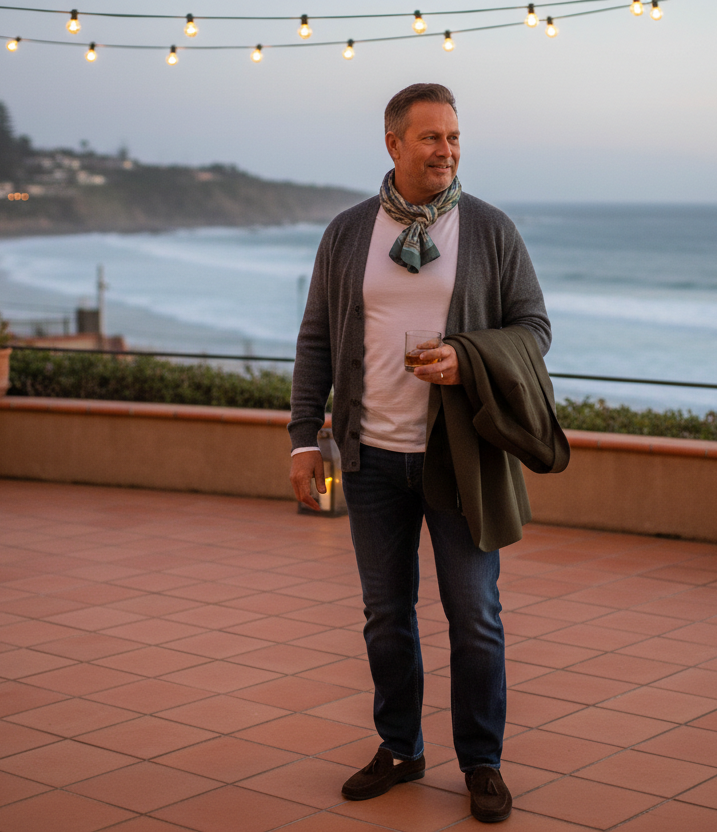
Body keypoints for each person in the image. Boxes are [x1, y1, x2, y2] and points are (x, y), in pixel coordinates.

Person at [288, 82, 551, 824]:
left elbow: (533, 327)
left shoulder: (490, 231)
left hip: (458, 462)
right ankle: (400, 748)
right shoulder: (347, 234)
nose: (447, 151)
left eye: (456, 137)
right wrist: (306, 439)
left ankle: (483, 762)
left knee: (475, 616)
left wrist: (468, 359)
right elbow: (315, 340)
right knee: (385, 616)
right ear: (394, 144)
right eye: (432, 138)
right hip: (369, 460)